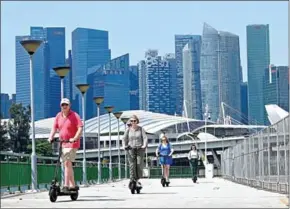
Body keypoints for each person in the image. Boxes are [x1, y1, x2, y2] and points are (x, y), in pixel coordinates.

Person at [48, 98, 83, 192]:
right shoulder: (58, 116)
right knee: (67, 164)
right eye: (63, 105)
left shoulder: (75, 115)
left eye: (66, 105)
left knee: (67, 163)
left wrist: (74, 138)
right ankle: (73, 185)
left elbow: (80, 128)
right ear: (60, 106)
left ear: (69, 106)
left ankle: (66, 185)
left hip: (72, 143)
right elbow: (54, 128)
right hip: (62, 143)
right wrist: (51, 137)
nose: (64, 106)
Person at [122, 114, 148, 188]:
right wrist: (124, 146)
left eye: (134, 121)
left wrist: (144, 145)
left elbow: (145, 138)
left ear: (137, 121)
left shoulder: (141, 129)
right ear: (130, 122)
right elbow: (124, 139)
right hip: (131, 148)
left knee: (139, 164)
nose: (133, 122)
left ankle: (137, 179)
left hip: (140, 148)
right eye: (131, 121)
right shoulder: (128, 130)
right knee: (132, 165)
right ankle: (132, 179)